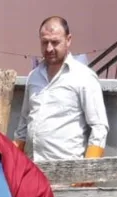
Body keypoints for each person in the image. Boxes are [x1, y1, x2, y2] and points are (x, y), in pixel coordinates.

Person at [13, 16, 110, 163]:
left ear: (68, 40)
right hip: (32, 169)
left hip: (67, 172)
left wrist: (87, 172)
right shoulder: (34, 76)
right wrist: (14, 159)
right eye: (45, 42)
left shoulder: (84, 77)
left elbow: (99, 127)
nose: (49, 48)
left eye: (55, 42)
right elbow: (24, 122)